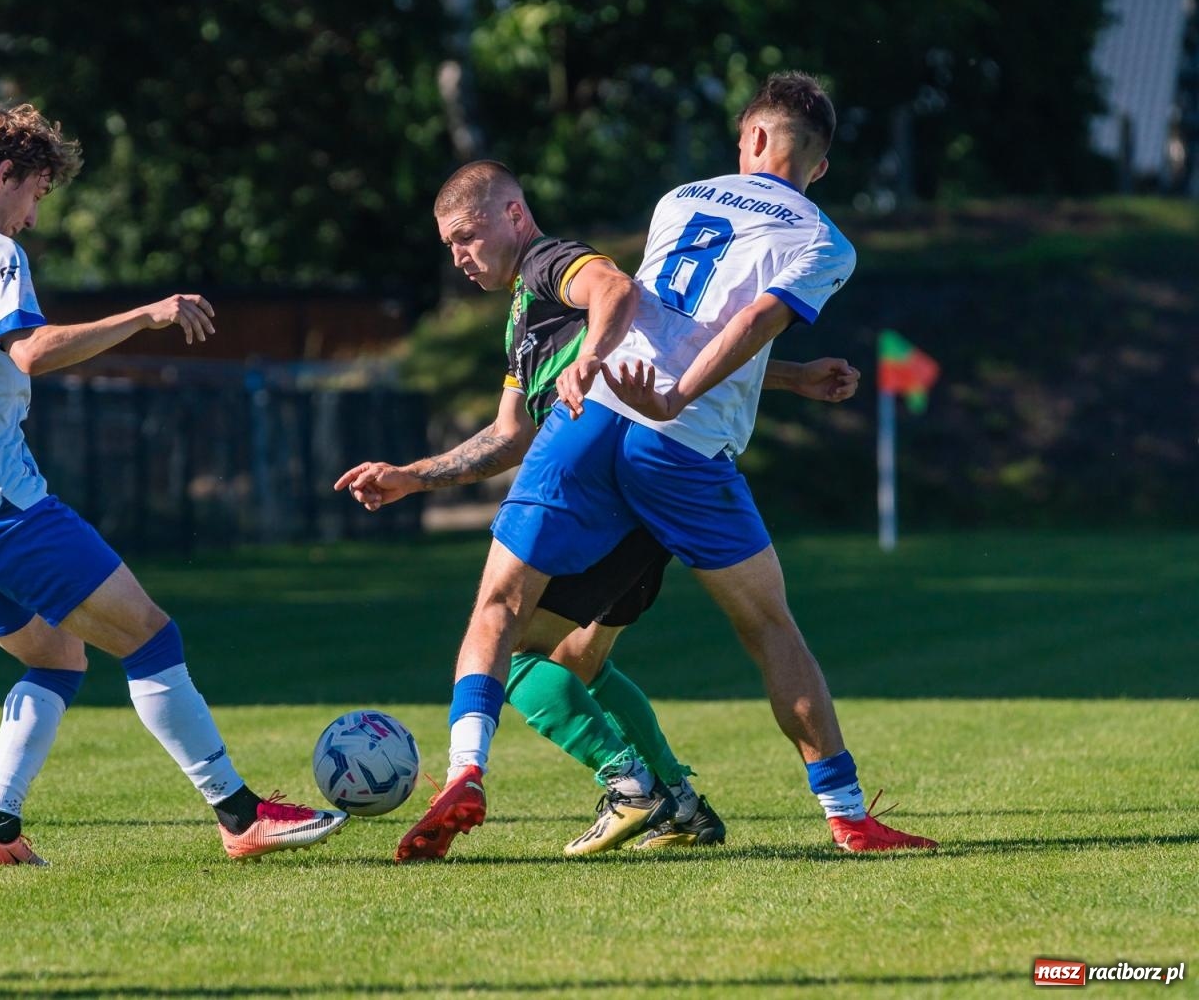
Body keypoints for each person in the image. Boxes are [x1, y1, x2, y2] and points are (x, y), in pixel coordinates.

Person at [396, 72, 937, 862]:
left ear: (751, 137)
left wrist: (765, 375)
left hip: (591, 416)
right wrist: (688, 391)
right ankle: (848, 815)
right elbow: (750, 321)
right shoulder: (825, 241)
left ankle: (467, 768)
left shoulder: (680, 198)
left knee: (503, 616)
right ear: (817, 165)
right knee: (768, 627)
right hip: (679, 444)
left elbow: (665, 316)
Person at [0, 104, 346, 864]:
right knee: (151, 634)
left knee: (56, 657)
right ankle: (240, 813)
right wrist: (146, 313)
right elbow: (33, 350)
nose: (31, 216)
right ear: (3, 176)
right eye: (35, 195)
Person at [337, 160, 859, 856]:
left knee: (523, 655)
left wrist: (592, 358)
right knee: (568, 656)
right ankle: (675, 799)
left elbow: (618, 291)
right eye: (449, 245)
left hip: (611, 472)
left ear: (515, 216)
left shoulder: (550, 261)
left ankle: (630, 784)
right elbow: (507, 435)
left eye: (466, 235)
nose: (459, 255)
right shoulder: (523, 322)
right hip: (619, 469)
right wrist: (412, 476)